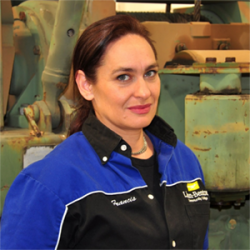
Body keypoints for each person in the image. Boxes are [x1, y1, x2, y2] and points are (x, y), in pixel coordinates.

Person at [0, 15, 209, 250]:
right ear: (86, 85)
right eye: (123, 77)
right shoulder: (49, 184)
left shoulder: (184, 162)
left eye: (150, 73)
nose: (143, 91)